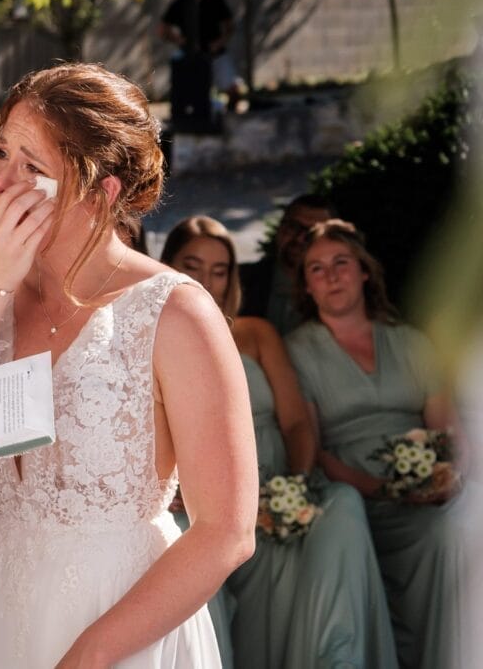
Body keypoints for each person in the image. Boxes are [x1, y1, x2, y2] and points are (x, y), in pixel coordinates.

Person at [0, 62, 257, 667]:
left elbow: (226, 532)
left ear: (103, 190)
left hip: (119, 623)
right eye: (1, 152)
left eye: (33, 168)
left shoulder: (176, 314)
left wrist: (91, 654)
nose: (2, 181)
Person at [162, 216, 398, 669]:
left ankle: (337, 658)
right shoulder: (151, 336)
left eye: (219, 269)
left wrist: (294, 485)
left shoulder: (256, 332)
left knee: (342, 504)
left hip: (273, 488)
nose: (206, 281)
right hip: (198, 497)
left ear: (233, 276)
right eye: (192, 266)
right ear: (168, 265)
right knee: (181, 548)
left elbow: (296, 424)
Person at [285, 219, 461, 669]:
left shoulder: (410, 341)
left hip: (423, 492)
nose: (331, 276)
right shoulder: (298, 351)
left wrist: (443, 479)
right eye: (317, 269)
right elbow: (312, 445)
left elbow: (446, 431)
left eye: (341, 263)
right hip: (350, 492)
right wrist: (374, 486)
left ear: (364, 271)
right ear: (307, 287)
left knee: (446, 532)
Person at [239, 194, 333, 335]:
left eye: (313, 233)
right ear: (280, 228)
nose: (300, 238)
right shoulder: (240, 282)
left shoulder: (338, 291)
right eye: (293, 227)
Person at [159, 0, 243, 110]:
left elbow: (229, 26)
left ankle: (226, 119)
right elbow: (163, 30)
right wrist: (181, 41)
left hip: (215, 54)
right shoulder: (179, 3)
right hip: (189, 56)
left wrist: (218, 43)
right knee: (187, 90)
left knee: (233, 90)